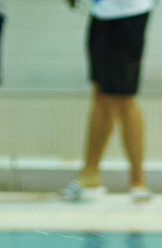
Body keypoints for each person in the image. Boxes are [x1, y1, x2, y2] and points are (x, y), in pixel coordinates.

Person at [60, 0, 147, 203]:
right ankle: (90, 173)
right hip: (101, 11)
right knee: (100, 93)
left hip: (129, 11)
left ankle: (138, 180)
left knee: (123, 96)